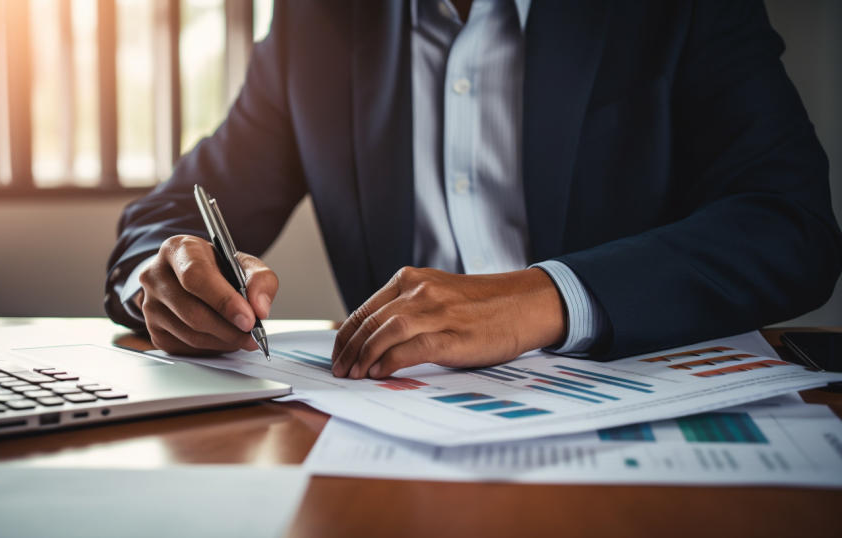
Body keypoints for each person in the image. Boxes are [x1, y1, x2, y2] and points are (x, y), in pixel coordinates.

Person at [105, 0, 842, 380]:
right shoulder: (318, 21)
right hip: (390, 440)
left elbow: (791, 223)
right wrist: (164, 278)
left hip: (644, 428)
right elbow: (169, 216)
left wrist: (544, 297)